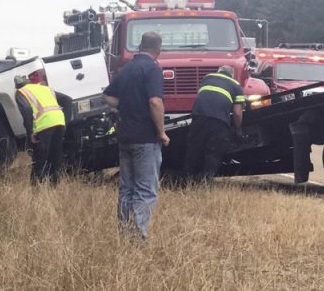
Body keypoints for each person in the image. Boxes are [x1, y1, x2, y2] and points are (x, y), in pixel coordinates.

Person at [102, 31, 168, 240]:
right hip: (146, 138)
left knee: (126, 188)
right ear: (158, 50)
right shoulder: (153, 69)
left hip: (126, 136)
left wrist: (125, 105)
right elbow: (155, 102)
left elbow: (106, 96)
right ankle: (138, 236)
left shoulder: (127, 69)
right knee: (145, 189)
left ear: (140, 46)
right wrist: (161, 132)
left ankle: (123, 231)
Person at [183, 66, 245, 183]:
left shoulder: (207, 78)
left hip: (199, 117)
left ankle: (188, 180)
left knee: (194, 149)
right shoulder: (236, 86)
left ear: (219, 72)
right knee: (213, 151)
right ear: (231, 75)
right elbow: (237, 113)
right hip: (219, 121)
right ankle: (205, 181)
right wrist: (238, 130)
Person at [15, 70, 69, 185]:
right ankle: (53, 187)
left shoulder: (21, 92)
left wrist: (31, 132)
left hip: (44, 124)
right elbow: (67, 100)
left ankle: (36, 190)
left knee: (40, 159)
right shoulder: (45, 88)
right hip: (59, 121)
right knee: (55, 156)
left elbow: (26, 110)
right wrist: (65, 123)